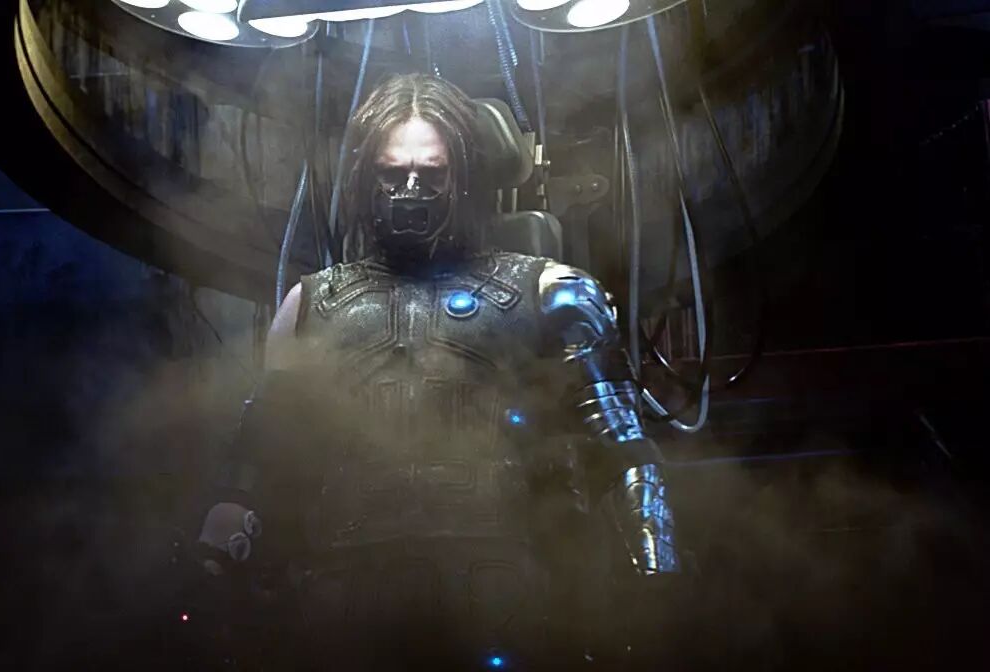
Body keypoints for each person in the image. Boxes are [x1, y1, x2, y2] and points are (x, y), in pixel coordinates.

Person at [197, 72, 678, 670]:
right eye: (392, 173)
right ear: (366, 176)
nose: (410, 191)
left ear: (465, 175)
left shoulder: (553, 293)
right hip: (347, 605)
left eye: (431, 172)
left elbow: (622, 450)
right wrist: (213, 564)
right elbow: (260, 458)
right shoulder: (310, 305)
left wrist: (654, 577)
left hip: (507, 599)